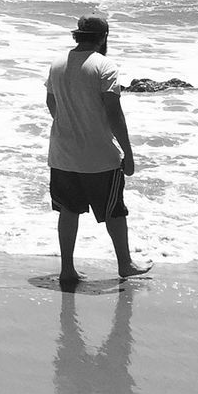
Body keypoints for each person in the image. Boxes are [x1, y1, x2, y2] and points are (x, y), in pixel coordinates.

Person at [45, 16, 152, 284]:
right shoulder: (104, 65)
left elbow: (51, 103)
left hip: (62, 154)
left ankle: (67, 270)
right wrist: (128, 152)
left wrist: (70, 124)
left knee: (68, 211)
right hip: (99, 157)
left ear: (77, 37)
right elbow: (113, 112)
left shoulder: (57, 64)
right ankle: (125, 264)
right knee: (114, 211)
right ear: (103, 37)